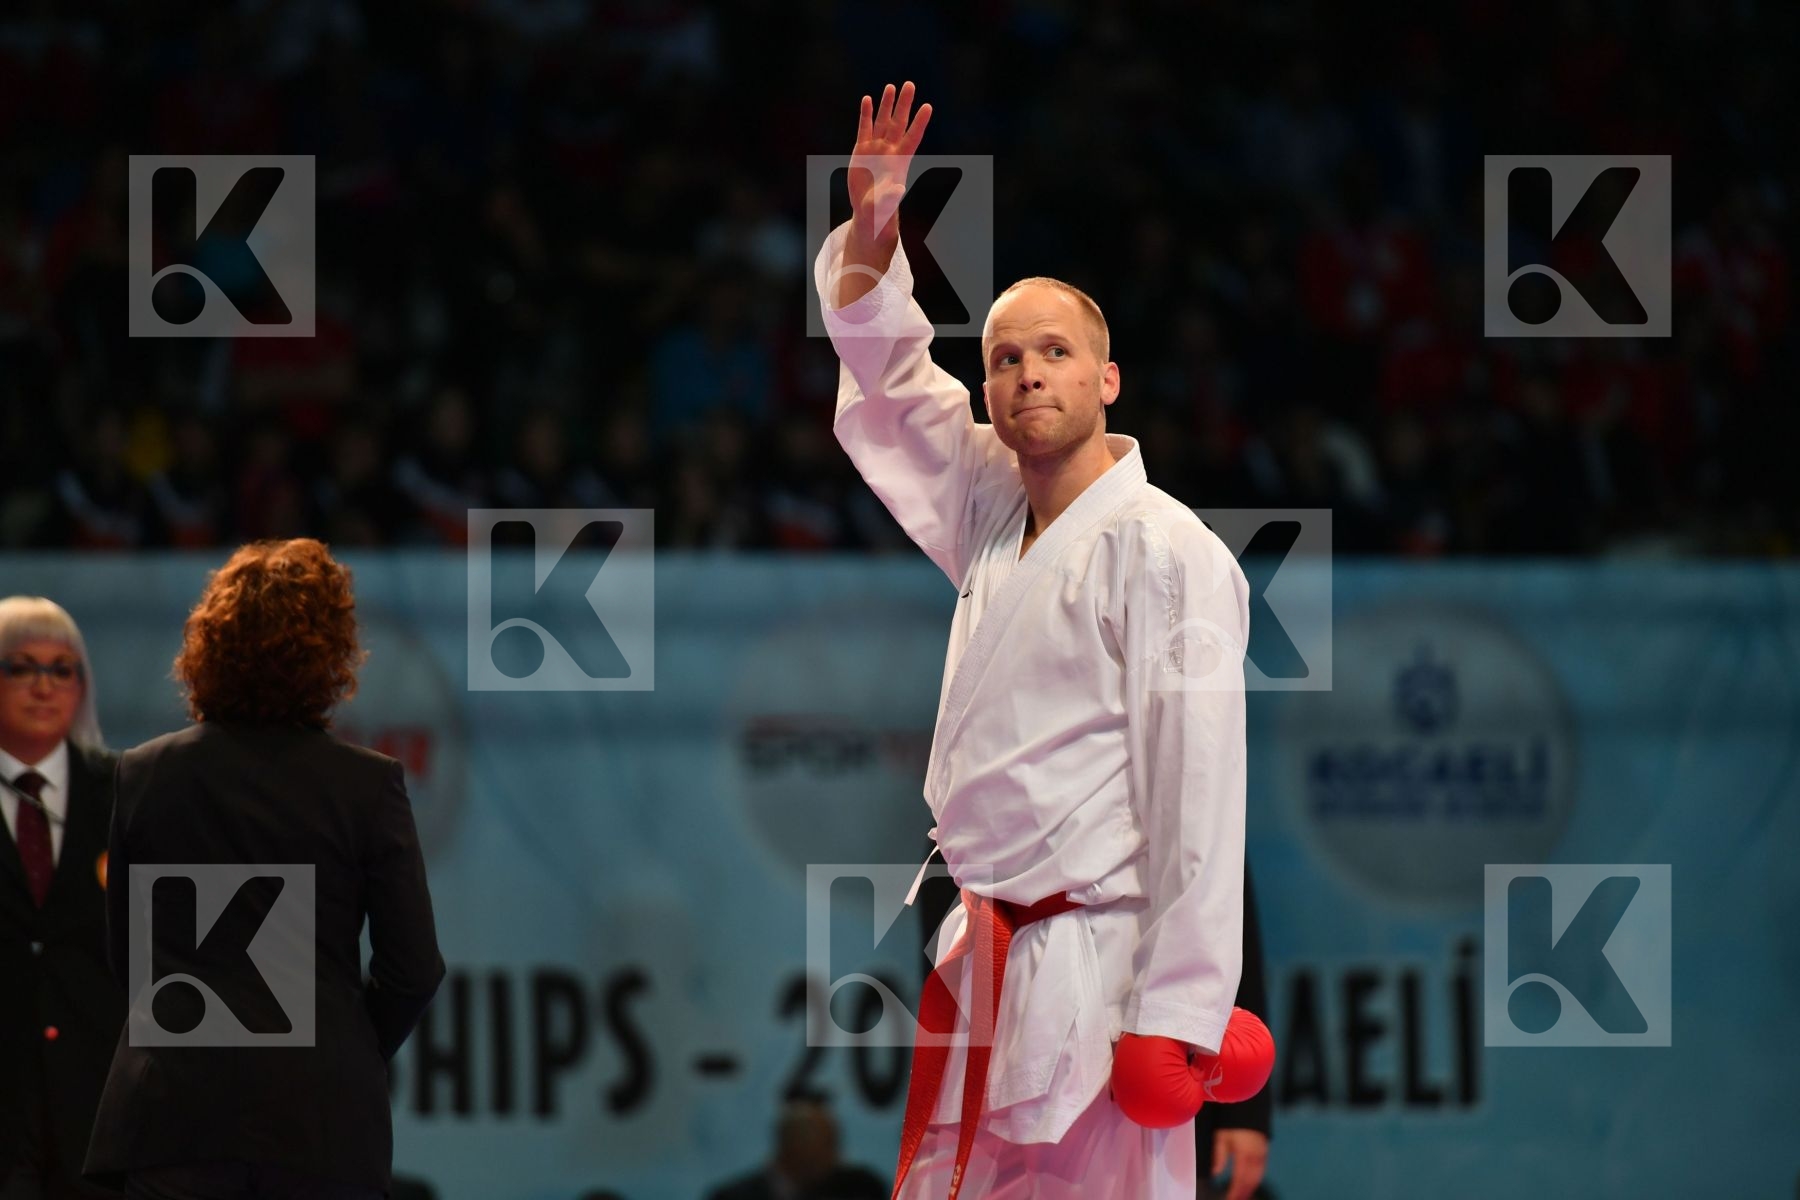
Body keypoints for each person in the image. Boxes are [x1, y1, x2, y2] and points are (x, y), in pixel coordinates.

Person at [817, 83, 1273, 1200]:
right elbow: (891, 389)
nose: (1028, 374)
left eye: (1056, 354)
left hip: (1104, 980)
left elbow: (1199, 799)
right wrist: (876, 240)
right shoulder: (986, 502)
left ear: (1107, 379)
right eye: (1008, 358)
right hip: (987, 966)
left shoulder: (1169, 553)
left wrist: (1179, 1015)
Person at [83, 538, 446, 1199]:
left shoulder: (144, 774)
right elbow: (414, 968)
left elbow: (128, 959)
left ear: (210, 645)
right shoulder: (365, 786)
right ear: (329, 654)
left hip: (171, 1123)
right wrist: (340, 1051)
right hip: (316, 1128)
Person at [0, 597, 123, 1200]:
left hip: (97, 1108)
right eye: (19, 667)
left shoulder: (127, 791)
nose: (42, 687)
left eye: (61, 668)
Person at [704, 1096, 885, 1200]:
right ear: (789, 1150)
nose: (832, 1157)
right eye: (821, 1149)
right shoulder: (733, 1198)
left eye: (832, 1145)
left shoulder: (859, 1191)